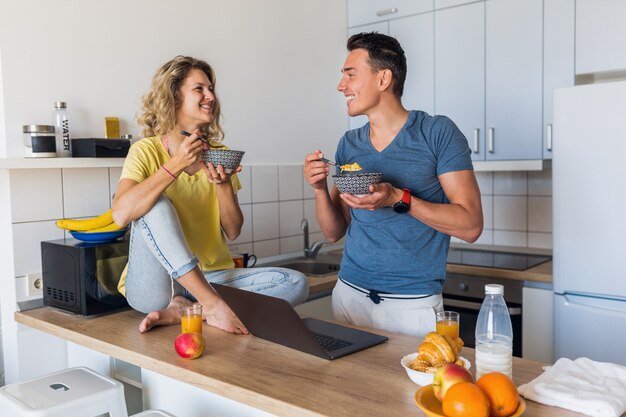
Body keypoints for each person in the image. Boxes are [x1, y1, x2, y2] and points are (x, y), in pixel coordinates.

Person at [303, 33, 483, 338]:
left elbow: (471, 226)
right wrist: (320, 189)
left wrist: (399, 198)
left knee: (413, 388)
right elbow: (334, 233)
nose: (341, 85)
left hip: (411, 306)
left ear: (383, 78)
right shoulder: (349, 144)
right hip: (349, 296)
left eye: (350, 74)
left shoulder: (437, 133)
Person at [113, 55, 308, 334]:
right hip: (156, 286)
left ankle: (193, 309)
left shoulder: (219, 154)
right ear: (174, 95)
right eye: (199, 89)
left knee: (295, 283)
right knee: (154, 203)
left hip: (213, 278)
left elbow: (233, 230)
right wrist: (175, 164)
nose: (210, 96)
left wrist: (223, 184)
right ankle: (212, 306)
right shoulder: (145, 151)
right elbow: (121, 214)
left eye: (211, 88)